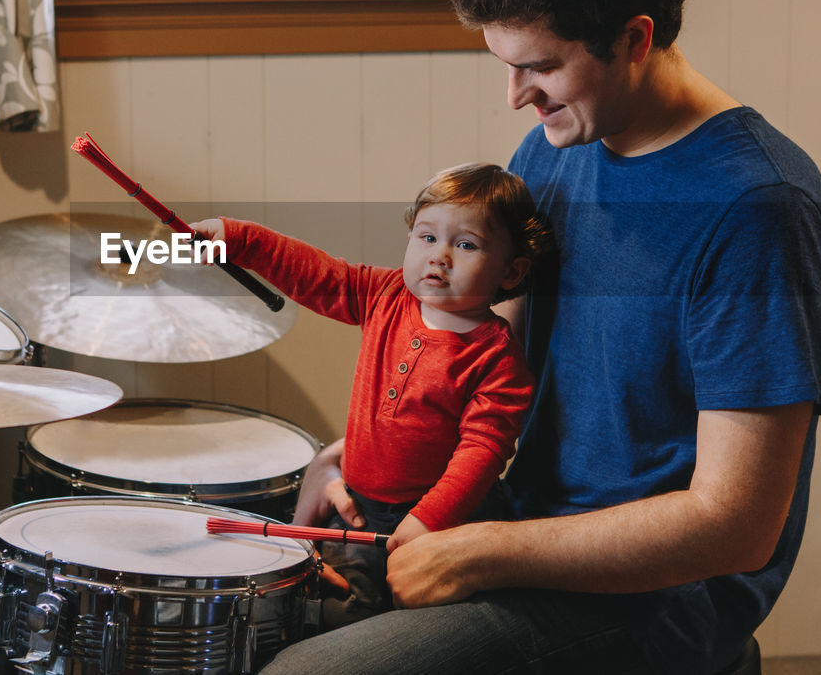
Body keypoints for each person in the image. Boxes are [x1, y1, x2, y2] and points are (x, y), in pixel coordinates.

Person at [259, 0, 821, 675]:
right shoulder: (556, 147)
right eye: (504, 64)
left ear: (636, 38)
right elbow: (496, 368)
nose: (513, 97)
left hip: (654, 604)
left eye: (538, 66)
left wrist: (484, 553)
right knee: (273, 611)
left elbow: (737, 523)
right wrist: (384, 453)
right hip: (522, 519)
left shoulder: (757, 210)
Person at [190, 162, 551, 625]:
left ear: (510, 271)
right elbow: (313, 273)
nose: (440, 256)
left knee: (421, 622)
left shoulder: (497, 357)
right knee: (336, 612)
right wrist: (237, 238)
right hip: (359, 509)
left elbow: (483, 450)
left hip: (450, 517)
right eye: (427, 237)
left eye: (465, 244)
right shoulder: (384, 294)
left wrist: (429, 520)